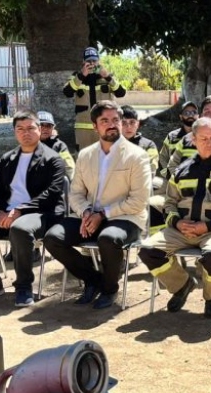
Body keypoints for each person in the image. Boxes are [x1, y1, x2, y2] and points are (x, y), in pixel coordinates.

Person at [42, 101, 151, 310]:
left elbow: (138, 201)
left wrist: (102, 214)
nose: (112, 125)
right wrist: (85, 212)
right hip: (89, 216)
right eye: (105, 121)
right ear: (95, 126)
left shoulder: (137, 156)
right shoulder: (86, 155)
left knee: (108, 238)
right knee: (53, 238)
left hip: (125, 218)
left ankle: (110, 289)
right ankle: (93, 280)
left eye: (115, 120)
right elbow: (75, 193)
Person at [139, 118, 211, 318]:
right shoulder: (182, 170)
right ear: (193, 140)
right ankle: (182, 285)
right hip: (181, 230)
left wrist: (208, 226)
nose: (210, 143)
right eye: (204, 138)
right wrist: (177, 222)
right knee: (148, 250)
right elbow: (169, 203)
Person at [0, 112, 67, 307]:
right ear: (15, 132)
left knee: (20, 229)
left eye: (31, 128)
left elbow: (52, 194)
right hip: (7, 213)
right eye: (20, 129)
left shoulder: (53, 159)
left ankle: (23, 287)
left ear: (39, 130)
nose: (26, 133)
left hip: (41, 213)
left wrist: (20, 211)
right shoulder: (7, 159)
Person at [63, 47, 126, 151]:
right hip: (83, 130)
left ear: (99, 61)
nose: (92, 64)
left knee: (107, 156)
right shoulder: (76, 76)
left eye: (94, 61)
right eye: (89, 61)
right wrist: (81, 75)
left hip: (105, 127)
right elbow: (67, 92)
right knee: (84, 158)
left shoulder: (107, 76)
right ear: (83, 62)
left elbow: (121, 93)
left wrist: (108, 77)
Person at [151, 101, 198, 234]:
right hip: (171, 180)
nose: (190, 115)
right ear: (181, 116)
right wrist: (169, 175)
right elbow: (163, 158)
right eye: (186, 113)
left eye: (193, 112)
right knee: (149, 192)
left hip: (196, 183)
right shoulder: (172, 136)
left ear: (198, 116)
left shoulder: (202, 136)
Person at [37, 111, 75, 180]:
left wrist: (74, 182)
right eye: (41, 125)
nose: (45, 128)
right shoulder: (29, 145)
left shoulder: (59, 146)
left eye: (48, 126)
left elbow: (70, 168)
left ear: (53, 128)